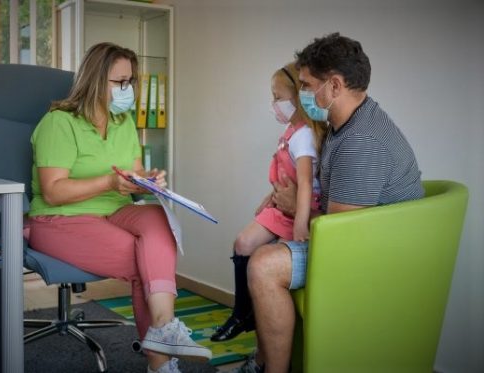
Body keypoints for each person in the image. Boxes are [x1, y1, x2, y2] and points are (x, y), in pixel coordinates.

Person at [236, 33, 424, 373]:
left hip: (376, 255)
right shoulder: (343, 126)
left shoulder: (361, 141)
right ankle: (266, 360)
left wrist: (295, 208)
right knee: (268, 246)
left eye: (307, 85)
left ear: (334, 85)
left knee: (264, 264)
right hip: (367, 239)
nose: (303, 94)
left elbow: (340, 235)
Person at [27, 42, 211, 373]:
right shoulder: (59, 123)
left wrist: (148, 179)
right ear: (96, 80)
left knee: (159, 217)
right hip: (60, 218)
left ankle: (164, 330)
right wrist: (109, 183)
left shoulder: (123, 121)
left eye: (130, 81)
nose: (128, 89)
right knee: (146, 260)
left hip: (113, 211)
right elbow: (54, 192)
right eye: (119, 82)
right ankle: (161, 360)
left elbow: (133, 172)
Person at [211, 63, 327, 342]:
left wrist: (301, 222)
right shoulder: (292, 131)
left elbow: (306, 184)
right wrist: (270, 198)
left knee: (248, 246)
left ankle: (244, 313)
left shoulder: (304, 137)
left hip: (295, 211)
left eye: (278, 97)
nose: (273, 104)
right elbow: (285, 177)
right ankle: (243, 311)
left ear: (298, 98)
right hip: (282, 205)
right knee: (242, 244)